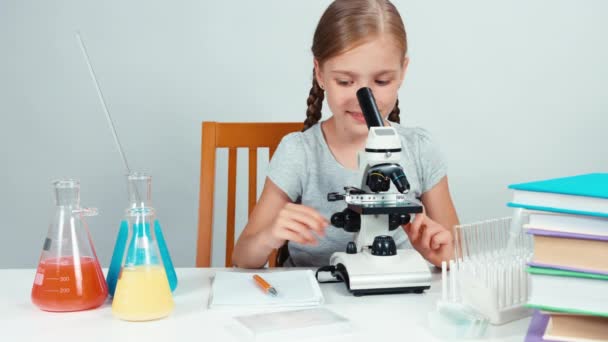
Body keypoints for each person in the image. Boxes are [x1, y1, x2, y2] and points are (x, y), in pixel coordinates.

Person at [232, 0, 459, 269]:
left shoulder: (420, 148)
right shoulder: (299, 152)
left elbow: (457, 253)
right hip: (314, 303)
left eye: (381, 81)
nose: (364, 98)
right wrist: (270, 236)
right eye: (345, 81)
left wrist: (443, 255)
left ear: (402, 72)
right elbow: (242, 257)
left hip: (396, 304)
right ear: (320, 73)